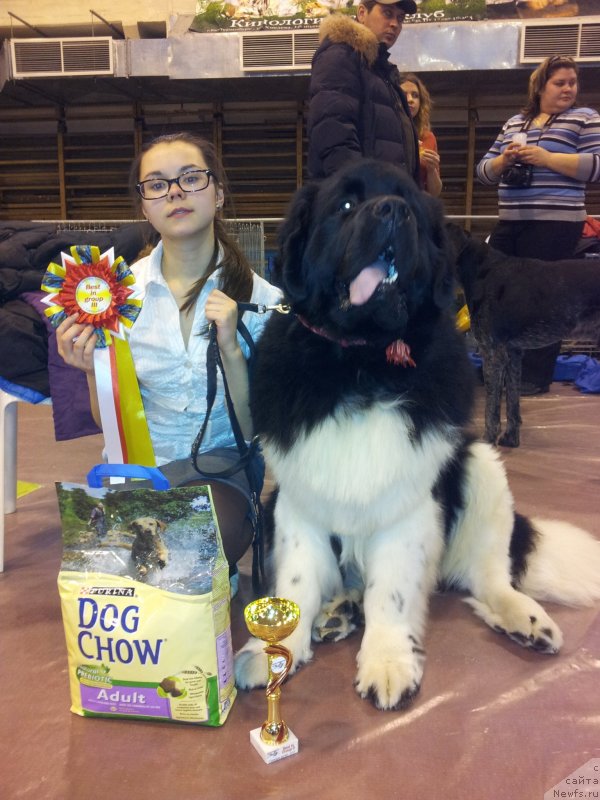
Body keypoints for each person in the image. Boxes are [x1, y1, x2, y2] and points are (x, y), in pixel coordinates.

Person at [56, 132, 283, 572]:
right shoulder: (114, 294)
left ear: (218, 194)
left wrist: (231, 349)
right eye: (157, 184)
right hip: (140, 466)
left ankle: (204, 566)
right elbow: (111, 425)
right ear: (144, 205)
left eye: (191, 178)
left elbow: (254, 426)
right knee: (115, 554)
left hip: (220, 465)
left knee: (198, 535)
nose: (175, 191)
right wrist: (91, 371)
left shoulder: (264, 299)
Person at [476, 55, 600, 393]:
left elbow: (596, 166)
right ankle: (500, 369)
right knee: (498, 296)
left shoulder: (585, 119)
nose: (568, 88)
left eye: (572, 82)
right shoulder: (515, 122)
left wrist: (546, 158)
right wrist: (505, 160)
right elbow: (483, 171)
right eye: (560, 82)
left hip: (556, 225)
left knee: (545, 300)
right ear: (541, 86)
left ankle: (534, 377)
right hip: (511, 223)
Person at [307, 0, 420, 183]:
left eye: (400, 18)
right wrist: (360, 199)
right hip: (362, 205)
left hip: (385, 203)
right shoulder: (340, 56)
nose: (395, 24)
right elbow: (333, 135)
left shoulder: (379, 70)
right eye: (387, 13)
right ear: (362, 13)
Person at [399, 73, 442, 197]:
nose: (410, 99)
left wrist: (431, 170)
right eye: (404, 94)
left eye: (415, 95)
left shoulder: (428, 137)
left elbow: (435, 193)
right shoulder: (386, 132)